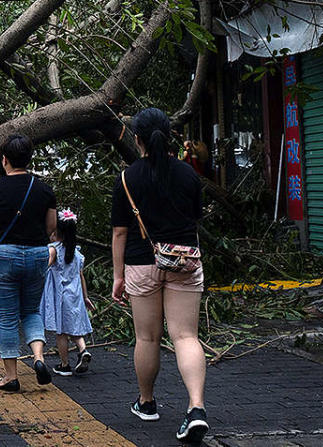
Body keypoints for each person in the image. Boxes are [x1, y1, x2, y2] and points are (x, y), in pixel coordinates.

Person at [111, 108, 208, 444]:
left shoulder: (127, 178)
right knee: (185, 337)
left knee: (147, 338)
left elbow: (120, 234)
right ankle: (196, 408)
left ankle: (147, 402)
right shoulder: (188, 175)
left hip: (141, 265)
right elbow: (195, 218)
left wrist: (117, 275)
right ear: (169, 136)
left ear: (136, 139)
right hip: (185, 263)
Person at [0, 134, 57, 390]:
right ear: (29, 159)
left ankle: (11, 377)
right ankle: (39, 358)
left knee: (8, 317)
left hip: (5, 257)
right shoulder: (44, 189)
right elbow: (52, 228)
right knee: (31, 310)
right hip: (37, 255)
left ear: (4, 160)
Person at [40, 208, 93, 376]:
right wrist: (85, 297)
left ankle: (64, 365)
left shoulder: (54, 249)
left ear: (57, 233)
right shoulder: (77, 253)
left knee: (61, 332)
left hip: (61, 296)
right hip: (76, 295)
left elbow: (44, 268)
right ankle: (83, 350)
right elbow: (81, 276)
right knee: (75, 328)